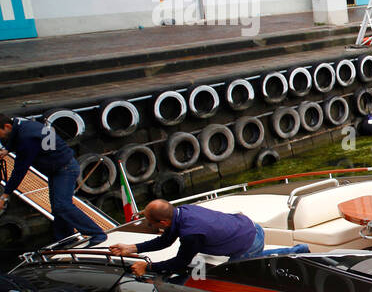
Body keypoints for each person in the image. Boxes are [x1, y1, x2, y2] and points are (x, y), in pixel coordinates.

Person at [108, 199, 308, 277]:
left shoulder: (191, 233)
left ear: (162, 223)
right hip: (247, 227)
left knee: (237, 272)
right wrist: (132, 248)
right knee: (254, 257)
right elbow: (165, 241)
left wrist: (147, 267)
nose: (152, 227)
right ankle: (299, 250)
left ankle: (297, 253)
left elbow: (179, 263)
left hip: (248, 239)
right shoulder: (182, 212)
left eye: (152, 224)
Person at [0, 113, 107, 246]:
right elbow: (16, 137)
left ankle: (96, 233)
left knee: (62, 205)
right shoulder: (22, 124)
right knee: (57, 208)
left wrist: (6, 194)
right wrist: (8, 149)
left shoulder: (26, 138)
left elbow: (20, 169)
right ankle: (66, 239)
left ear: (6, 126)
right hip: (56, 168)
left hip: (64, 169)